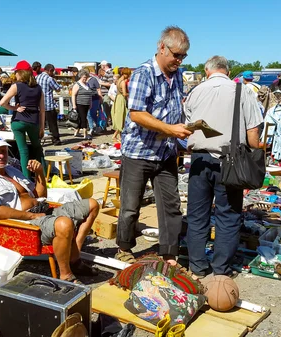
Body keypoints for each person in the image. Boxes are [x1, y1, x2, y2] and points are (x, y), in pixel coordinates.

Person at [0, 137, 100, 284]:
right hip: (23, 222)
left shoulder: (11, 170)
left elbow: (40, 195)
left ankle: (74, 257)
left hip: (41, 209)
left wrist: (39, 173)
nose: (1, 156)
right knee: (65, 224)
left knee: (92, 204)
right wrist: (30, 215)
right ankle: (66, 274)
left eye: (4, 151)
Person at [115, 26, 192, 265]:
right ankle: (124, 248)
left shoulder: (177, 75)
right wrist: (170, 130)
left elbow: (175, 109)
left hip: (166, 152)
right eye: (176, 55)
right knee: (130, 205)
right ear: (162, 47)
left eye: (183, 56)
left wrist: (183, 134)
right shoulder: (144, 74)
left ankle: (169, 253)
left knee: (171, 205)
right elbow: (137, 114)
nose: (179, 60)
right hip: (138, 152)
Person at [184, 56, 263, 279]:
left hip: (199, 160)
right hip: (230, 160)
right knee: (228, 216)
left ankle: (197, 267)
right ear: (227, 71)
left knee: (197, 215)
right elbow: (253, 131)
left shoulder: (195, 92)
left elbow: (189, 126)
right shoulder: (243, 91)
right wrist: (254, 158)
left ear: (207, 71)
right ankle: (221, 270)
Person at [0, 60, 46, 179]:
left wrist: (13, 108)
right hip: (34, 121)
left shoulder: (16, 86)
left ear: (21, 73)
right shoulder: (38, 88)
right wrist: (42, 127)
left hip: (19, 121)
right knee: (37, 148)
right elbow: (42, 110)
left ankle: (26, 178)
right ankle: (43, 175)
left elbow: (2, 102)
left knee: (23, 151)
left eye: (17, 72)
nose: (16, 74)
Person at [37, 64, 63, 145]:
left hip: (39, 105)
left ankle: (38, 139)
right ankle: (56, 140)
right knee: (52, 124)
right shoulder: (49, 79)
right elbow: (57, 89)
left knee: (41, 124)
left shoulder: (37, 77)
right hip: (48, 104)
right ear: (50, 70)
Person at [71, 69, 94, 140]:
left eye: (86, 77)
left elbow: (90, 95)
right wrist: (74, 105)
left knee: (81, 119)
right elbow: (73, 95)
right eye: (84, 77)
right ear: (80, 76)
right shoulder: (77, 84)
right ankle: (85, 134)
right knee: (84, 118)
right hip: (80, 103)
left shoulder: (87, 84)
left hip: (87, 104)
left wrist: (90, 103)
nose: (85, 78)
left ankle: (76, 132)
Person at [112, 67, 130, 141]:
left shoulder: (118, 80)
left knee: (120, 116)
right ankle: (115, 136)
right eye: (128, 74)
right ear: (124, 74)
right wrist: (130, 94)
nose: (128, 76)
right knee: (122, 117)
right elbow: (125, 93)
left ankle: (119, 136)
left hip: (117, 98)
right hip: (121, 99)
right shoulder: (122, 82)